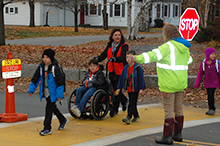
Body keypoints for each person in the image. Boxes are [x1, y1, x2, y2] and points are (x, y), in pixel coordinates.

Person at [129, 24, 193, 145]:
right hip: (180, 83)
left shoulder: (167, 47)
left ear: (166, 34)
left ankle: (167, 136)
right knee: (178, 108)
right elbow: (190, 60)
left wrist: (136, 58)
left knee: (168, 109)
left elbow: (152, 56)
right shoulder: (184, 47)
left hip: (168, 83)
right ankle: (178, 134)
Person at [28, 48, 68, 136]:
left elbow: (60, 82)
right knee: (52, 108)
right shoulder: (41, 67)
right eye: (44, 57)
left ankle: (47, 128)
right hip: (45, 91)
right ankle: (62, 120)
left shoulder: (55, 68)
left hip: (52, 92)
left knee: (48, 109)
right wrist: (31, 89)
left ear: (51, 58)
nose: (45, 59)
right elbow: (35, 79)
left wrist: (59, 94)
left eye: (47, 57)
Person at [94, 28, 129, 117]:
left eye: (119, 35)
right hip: (111, 71)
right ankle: (123, 102)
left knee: (116, 90)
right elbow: (104, 55)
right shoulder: (110, 45)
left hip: (121, 71)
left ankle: (117, 107)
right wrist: (97, 58)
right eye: (116, 35)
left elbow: (124, 57)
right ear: (112, 37)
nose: (117, 37)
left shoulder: (124, 46)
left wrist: (116, 59)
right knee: (112, 90)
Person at [116, 50, 145, 124]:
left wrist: (141, 88)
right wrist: (119, 87)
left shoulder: (138, 68)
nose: (128, 59)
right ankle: (136, 115)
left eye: (131, 57)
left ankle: (128, 117)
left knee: (131, 102)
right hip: (129, 88)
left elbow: (141, 79)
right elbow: (122, 78)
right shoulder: (126, 67)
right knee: (133, 103)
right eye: (127, 57)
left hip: (135, 88)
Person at [194, 47, 219, 115]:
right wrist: (197, 84)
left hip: (214, 82)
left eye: (214, 54)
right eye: (212, 54)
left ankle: (212, 108)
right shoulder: (203, 64)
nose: (214, 56)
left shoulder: (217, 63)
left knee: (211, 94)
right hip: (207, 82)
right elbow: (200, 74)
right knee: (209, 95)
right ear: (208, 55)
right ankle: (210, 108)